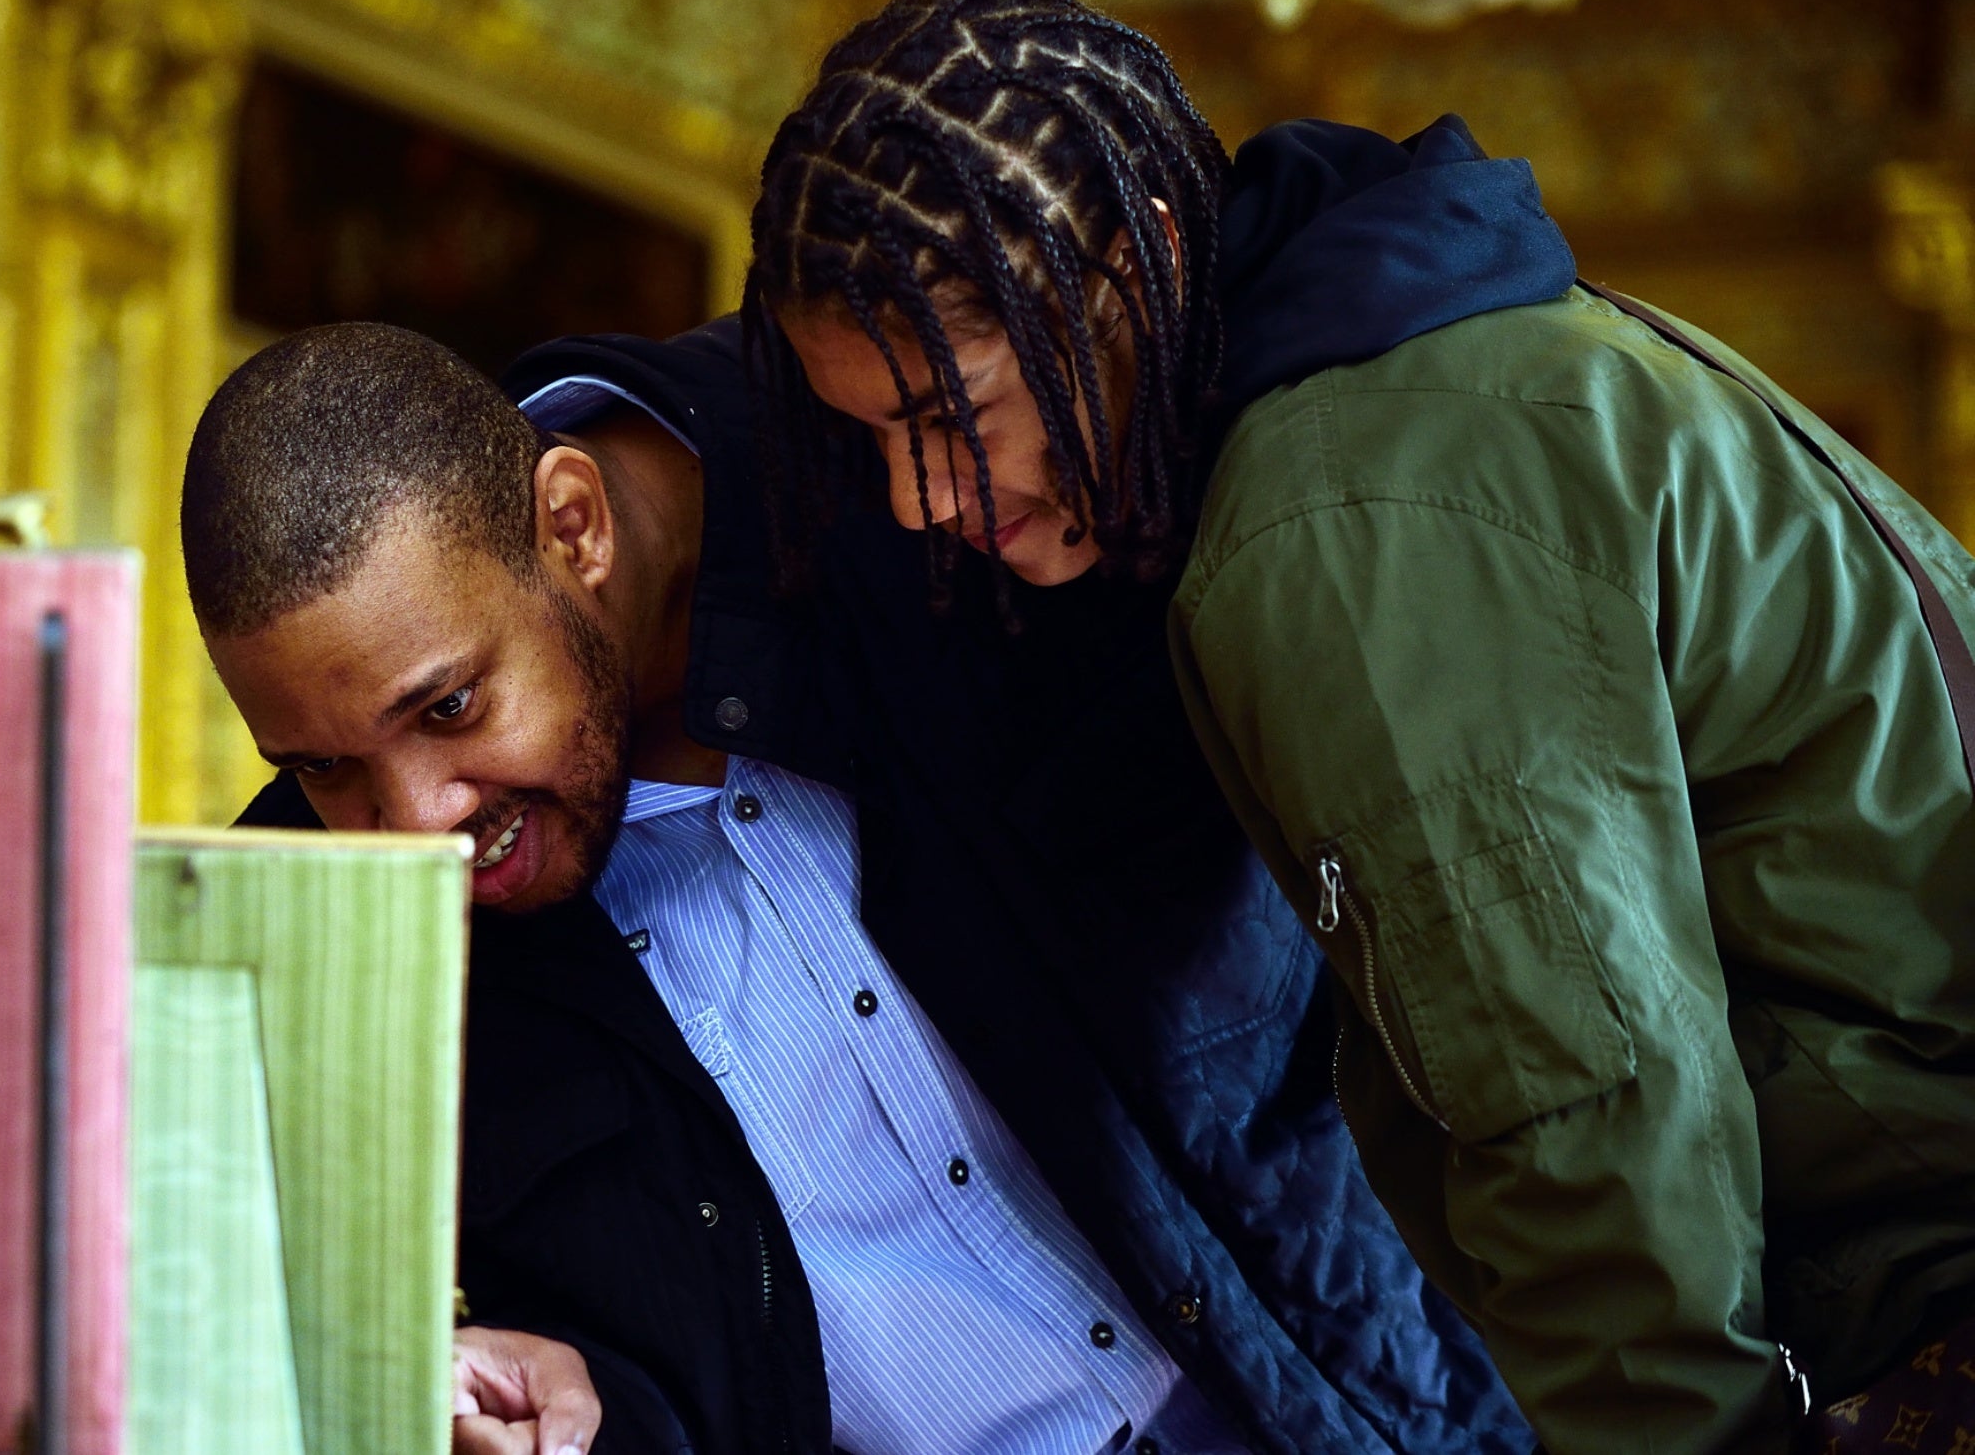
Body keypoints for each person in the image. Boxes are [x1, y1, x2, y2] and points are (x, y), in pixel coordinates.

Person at [750, 0, 1975, 1455]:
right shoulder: (1455, 357)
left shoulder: (1331, 517)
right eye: (870, 437)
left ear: (1118, 287)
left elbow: (1581, 1098)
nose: (916, 501)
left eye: (952, 413)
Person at [179, 319, 1534, 1455]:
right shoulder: (328, 955)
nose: (410, 827)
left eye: (452, 707)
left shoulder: (898, 463)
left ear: (573, 525)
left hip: (1384, 1392)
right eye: (324, 771)